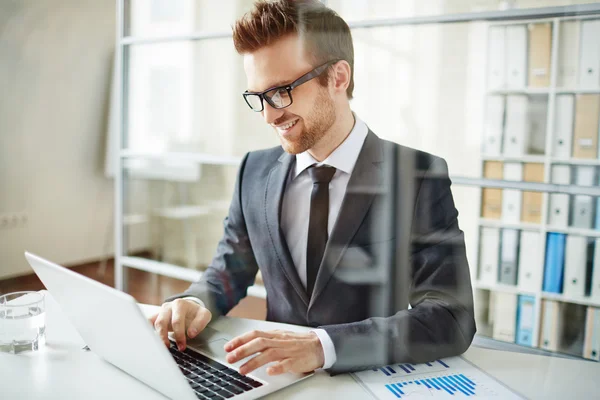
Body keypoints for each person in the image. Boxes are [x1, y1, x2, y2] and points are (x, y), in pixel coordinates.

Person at [150, 0, 476, 376]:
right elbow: (229, 270)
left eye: (282, 90)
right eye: (258, 97)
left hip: (368, 381)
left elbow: (452, 317)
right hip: (273, 381)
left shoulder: (417, 175)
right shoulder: (253, 171)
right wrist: (195, 299)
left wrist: (324, 347)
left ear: (338, 77)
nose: (269, 115)